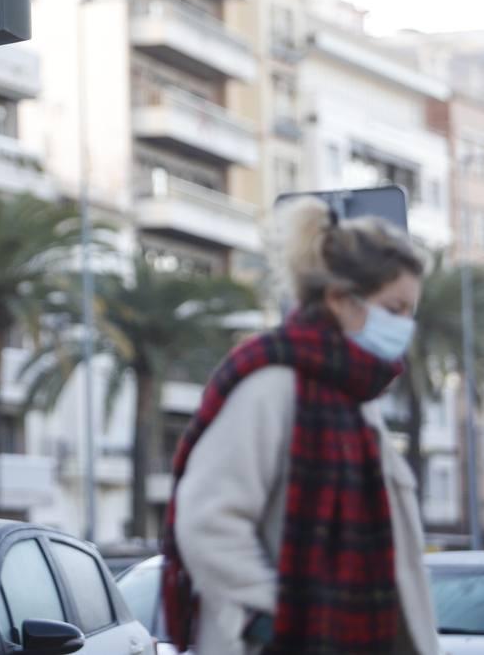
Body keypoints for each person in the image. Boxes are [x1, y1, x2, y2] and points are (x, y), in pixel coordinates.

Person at [161, 197, 440, 655]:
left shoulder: (355, 397)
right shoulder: (272, 385)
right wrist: (269, 621)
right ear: (338, 298)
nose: (406, 327)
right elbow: (207, 520)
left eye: (411, 311)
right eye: (395, 308)